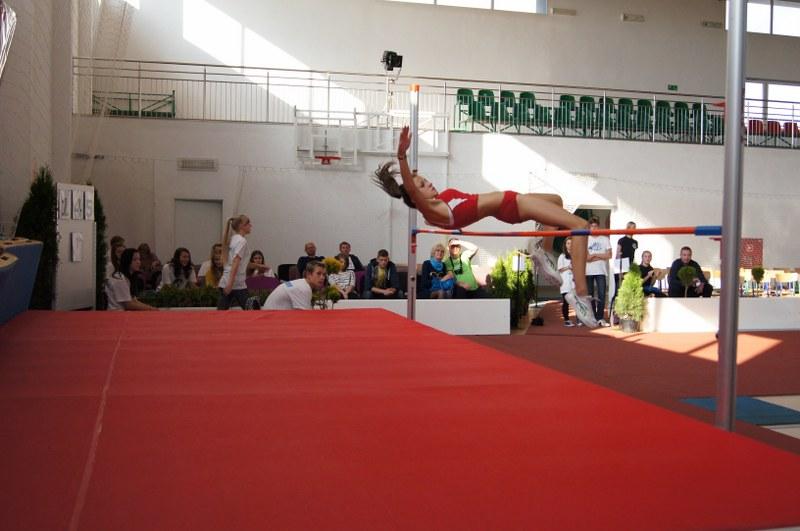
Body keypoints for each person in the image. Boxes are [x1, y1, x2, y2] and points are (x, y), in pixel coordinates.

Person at [373, 125, 598, 327]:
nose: (428, 182)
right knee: (580, 225)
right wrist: (401, 156)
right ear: (417, 197)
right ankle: (580, 294)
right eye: (422, 185)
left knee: (556, 200)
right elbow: (411, 190)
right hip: (512, 206)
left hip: (510, 199)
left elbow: (412, 189)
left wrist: (401, 177)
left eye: (424, 180)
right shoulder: (434, 211)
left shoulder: (438, 203)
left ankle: (543, 250)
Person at [217, 215, 252, 310]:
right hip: (235, 283)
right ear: (241, 226)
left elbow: (238, 262)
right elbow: (236, 262)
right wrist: (230, 284)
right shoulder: (242, 241)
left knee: (221, 311)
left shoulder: (233, 239)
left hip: (227, 280)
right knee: (251, 310)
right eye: (248, 223)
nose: (250, 225)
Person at [585, 217, 612, 326]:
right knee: (590, 295)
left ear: (598, 227)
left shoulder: (605, 239)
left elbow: (609, 255)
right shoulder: (586, 239)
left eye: (595, 226)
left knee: (601, 294)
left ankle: (600, 317)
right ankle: (592, 317)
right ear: (589, 227)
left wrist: (595, 255)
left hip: (601, 271)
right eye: (592, 226)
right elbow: (587, 258)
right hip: (588, 271)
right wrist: (602, 256)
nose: (594, 228)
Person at [611, 221, 638, 319]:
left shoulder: (635, 242)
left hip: (629, 267)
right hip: (621, 265)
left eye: (634, 228)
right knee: (618, 290)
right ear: (627, 228)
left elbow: (632, 256)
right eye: (631, 227)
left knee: (628, 291)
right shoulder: (621, 240)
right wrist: (620, 270)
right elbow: (618, 254)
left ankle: (625, 313)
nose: (633, 230)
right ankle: (614, 314)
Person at [558, 237, 579, 327]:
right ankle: (566, 320)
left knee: (576, 301)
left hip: (574, 281)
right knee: (566, 301)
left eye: (571, 243)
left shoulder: (576, 255)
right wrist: (568, 267)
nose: (570, 245)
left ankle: (579, 319)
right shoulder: (562, 256)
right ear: (565, 245)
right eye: (568, 243)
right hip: (565, 281)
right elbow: (559, 269)